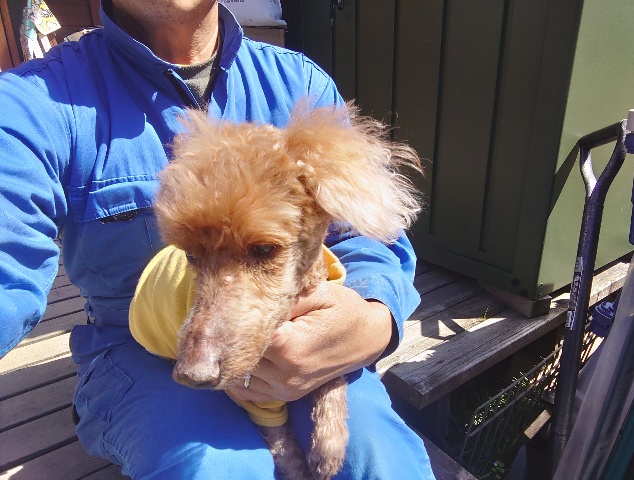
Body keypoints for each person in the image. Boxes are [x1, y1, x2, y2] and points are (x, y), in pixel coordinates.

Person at [0, 1, 435, 479]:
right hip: (136, 346)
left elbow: (369, 236)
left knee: (380, 459)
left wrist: (371, 320)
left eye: (262, 250)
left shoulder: (300, 83)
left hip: (314, 332)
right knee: (215, 467)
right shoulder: (31, 106)